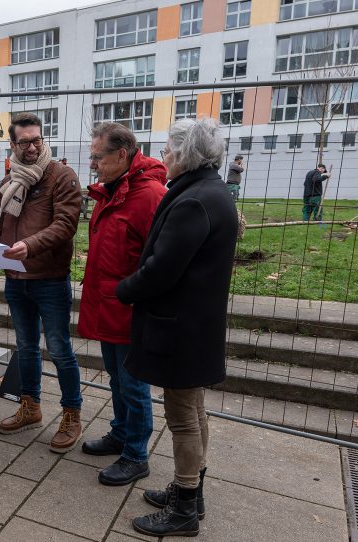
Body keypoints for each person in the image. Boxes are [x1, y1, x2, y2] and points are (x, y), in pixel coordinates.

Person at [116, 118, 238, 537]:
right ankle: (192, 491)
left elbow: (162, 269)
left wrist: (125, 289)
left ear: (186, 154)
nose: (163, 155)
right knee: (195, 409)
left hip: (180, 328)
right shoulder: (211, 191)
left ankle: (184, 508)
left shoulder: (193, 201)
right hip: (197, 325)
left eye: (168, 149)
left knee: (183, 415)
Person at [77, 122, 167, 486]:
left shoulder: (148, 196)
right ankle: (121, 432)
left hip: (130, 308)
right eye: (92, 155)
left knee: (133, 384)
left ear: (122, 155)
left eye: (98, 156)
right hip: (107, 304)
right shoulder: (113, 190)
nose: (93, 163)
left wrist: (134, 293)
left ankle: (136, 454)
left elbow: (160, 258)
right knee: (116, 378)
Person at [0, 112, 84, 453]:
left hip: (49, 279)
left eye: (37, 140)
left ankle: (72, 414)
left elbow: (65, 225)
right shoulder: (10, 181)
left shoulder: (62, 176)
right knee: (26, 347)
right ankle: (30, 406)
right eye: (25, 141)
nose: (32, 147)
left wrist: (30, 245)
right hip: (17, 281)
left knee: (59, 350)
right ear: (13, 144)